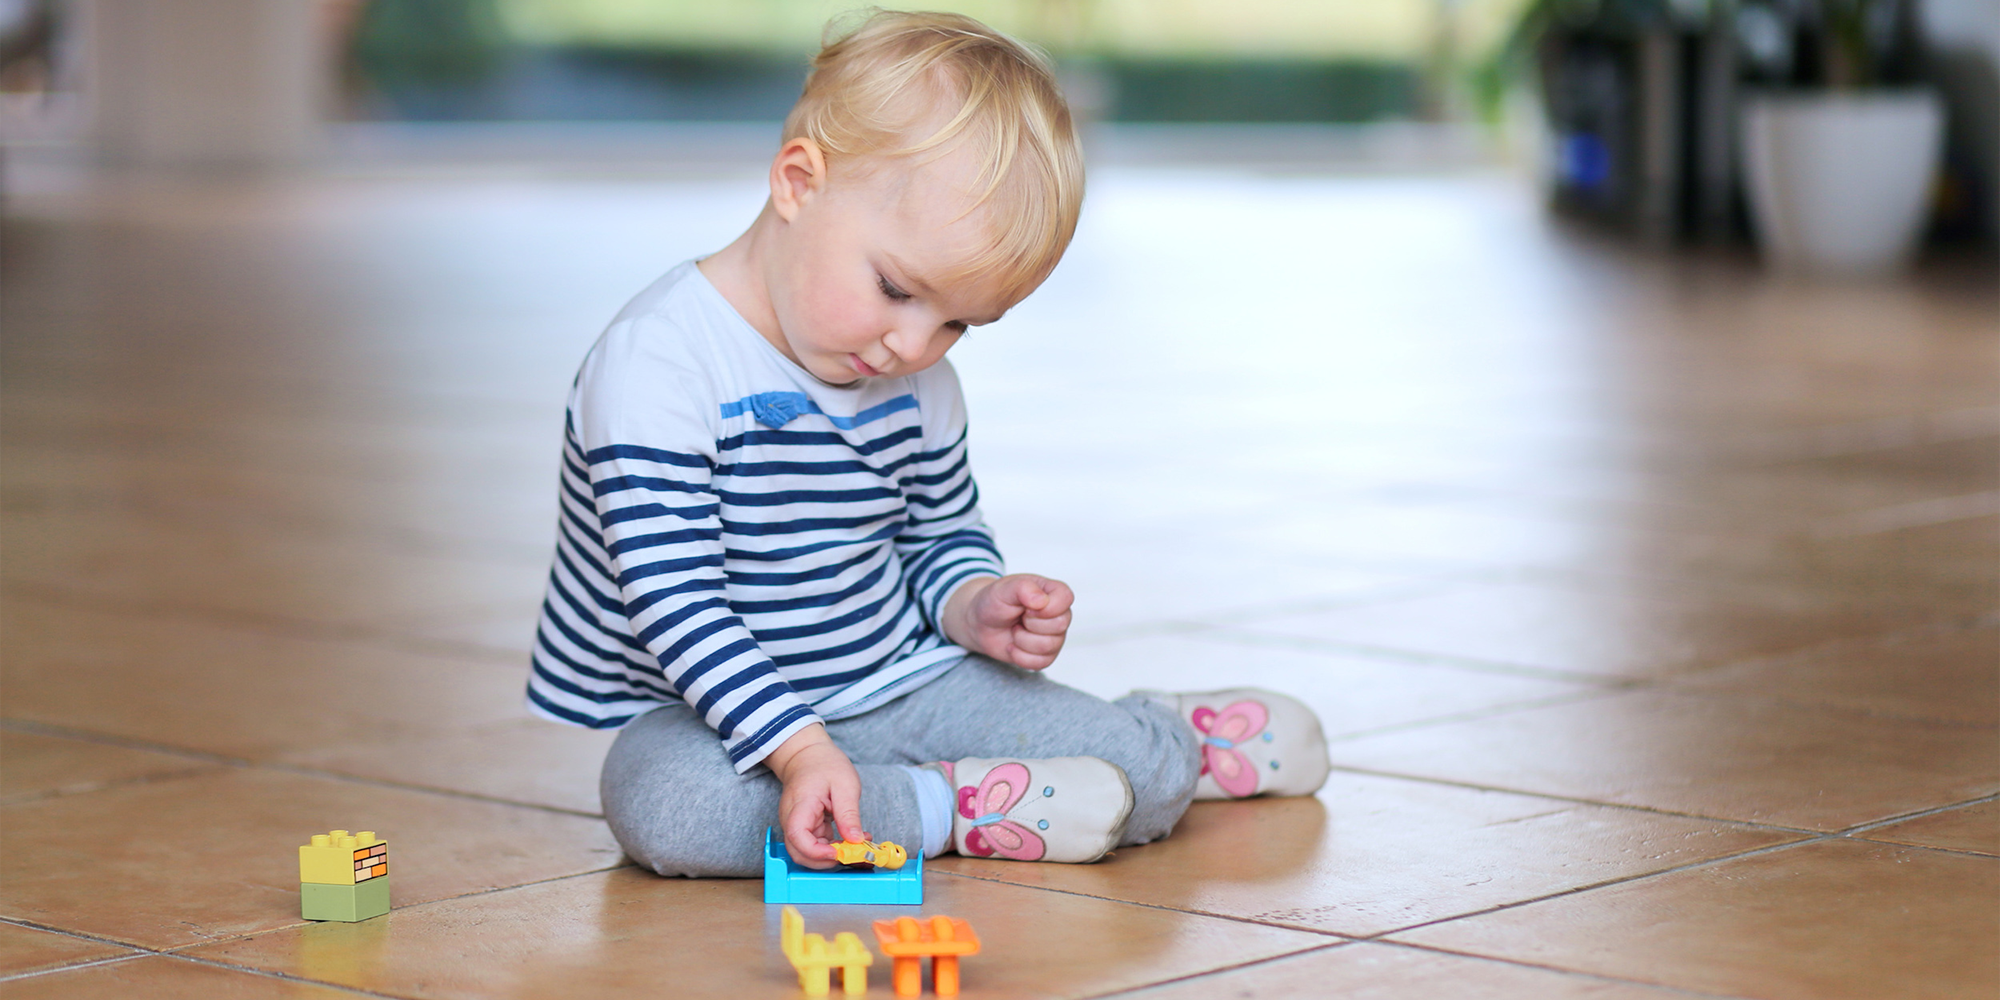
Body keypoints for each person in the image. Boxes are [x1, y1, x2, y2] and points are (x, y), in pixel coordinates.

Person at [526, 9, 1330, 878]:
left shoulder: (916, 381)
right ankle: (955, 806)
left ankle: (1169, 741)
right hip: (710, 715)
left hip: (895, 678)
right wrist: (798, 752)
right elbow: (675, 602)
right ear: (799, 183)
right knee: (670, 812)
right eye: (895, 289)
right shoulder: (660, 364)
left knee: (1143, 773)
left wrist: (972, 603)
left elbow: (939, 533)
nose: (915, 346)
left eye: (957, 322)